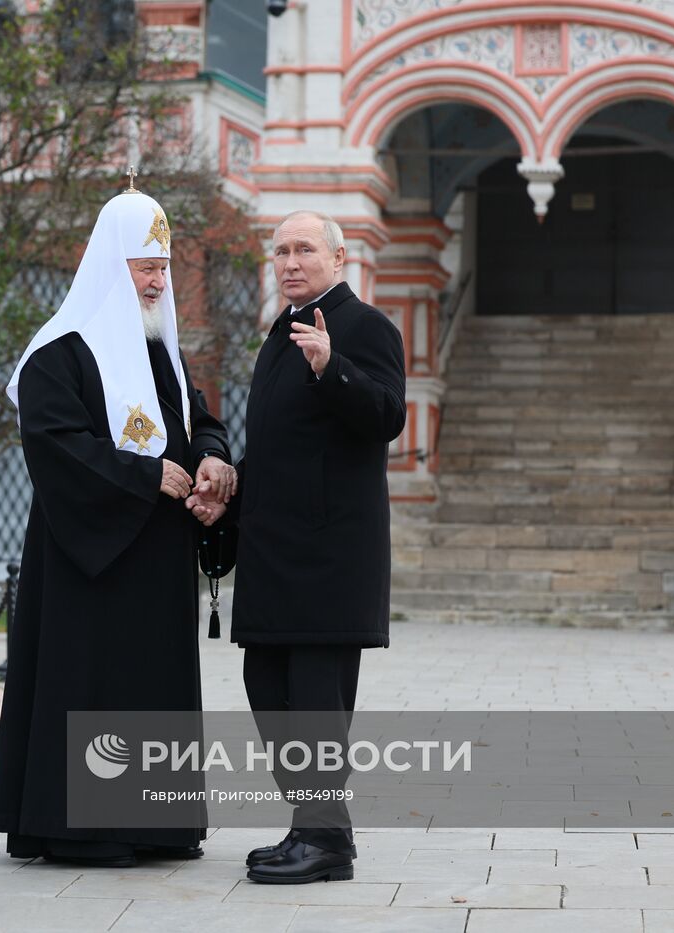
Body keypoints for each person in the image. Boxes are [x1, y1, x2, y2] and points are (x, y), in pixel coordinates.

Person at [0, 181, 235, 868]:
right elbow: (55, 441)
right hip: (88, 556)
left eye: (163, 267)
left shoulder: (164, 348)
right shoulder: (59, 351)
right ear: (109, 264)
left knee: (154, 684)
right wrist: (144, 474)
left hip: (158, 554)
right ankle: (81, 827)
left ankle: (159, 823)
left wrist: (214, 460)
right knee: (93, 683)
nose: (159, 281)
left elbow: (200, 420)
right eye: (145, 267)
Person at [227, 210, 406, 884]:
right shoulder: (278, 335)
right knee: (266, 685)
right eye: (280, 251)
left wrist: (334, 368)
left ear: (338, 255)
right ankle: (308, 824)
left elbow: (388, 415)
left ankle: (327, 839)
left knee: (314, 700)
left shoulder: (365, 326)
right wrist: (231, 480)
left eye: (304, 249)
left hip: (330, 553)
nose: (290, 261)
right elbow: (282, 443)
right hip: (273, 550)